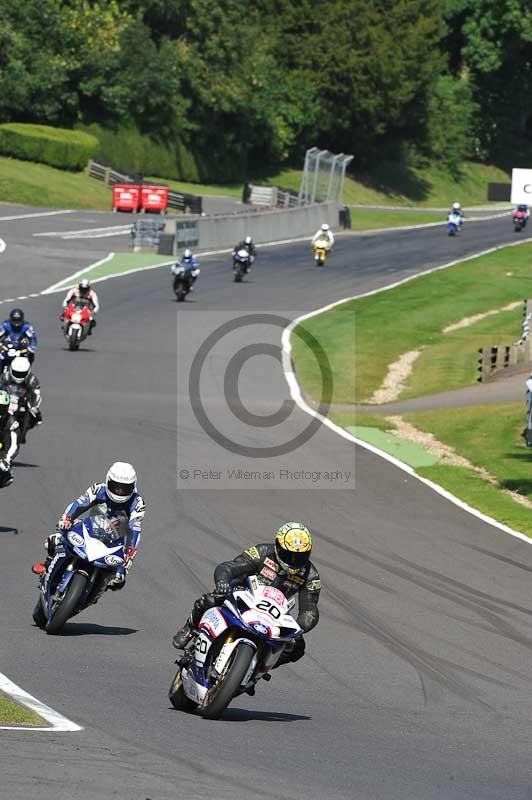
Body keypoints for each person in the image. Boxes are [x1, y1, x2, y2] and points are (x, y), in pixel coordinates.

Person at [172, 521, 321, 669]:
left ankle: (259, 667)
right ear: (278, 547)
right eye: (289, 555)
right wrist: (223, 582)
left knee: (297, 648)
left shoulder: (311, 575)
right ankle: (189, 629)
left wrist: (300, 627)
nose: (294, 561)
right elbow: (229, 567)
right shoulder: (261, 552)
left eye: (300, 556)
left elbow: (310, 610)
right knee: (210, 599)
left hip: (273, 614)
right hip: (242, 596)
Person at [31, 462, 146, 591]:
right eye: (116, 487)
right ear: (108, 481)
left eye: (124, 488)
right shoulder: (98, 489)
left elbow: (135, 527)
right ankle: (48, 565)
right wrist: (67, 518)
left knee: (120, 578)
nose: (119, 491)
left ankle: (96, 589)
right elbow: (80, 503)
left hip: (115, 539)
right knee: (54, 540)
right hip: (91, 527)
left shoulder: (137, 502)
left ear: (133, 486)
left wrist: (130, 550)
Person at [0, 356, 42, 444]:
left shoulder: (32, 380)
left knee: (36, 415)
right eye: (16, 373)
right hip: (9, 398)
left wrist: (34, 406)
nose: (19, 376)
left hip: (22, 400)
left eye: (21, 373)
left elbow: (36, 393)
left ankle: (25, 428)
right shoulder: (5, 377)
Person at [0, 389, 20, 488]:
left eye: (1, 408)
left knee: (7, 476)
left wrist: (6, 460)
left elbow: (13, 444)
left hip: (1, 452)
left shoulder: (11, 422)